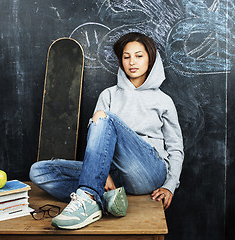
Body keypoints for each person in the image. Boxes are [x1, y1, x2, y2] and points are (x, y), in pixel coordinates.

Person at [29, 32, 184, 230]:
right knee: (40, 171)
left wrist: (169, 186)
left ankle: (88, 199)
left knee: (103, 117)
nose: (132, 62)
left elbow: (176, 148)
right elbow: (97, 138)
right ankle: (106, 198)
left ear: (150, 59)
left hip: (148, 172)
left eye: (139, 56)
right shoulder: (109, 94)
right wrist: (102, 173)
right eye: (126, 57)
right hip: (115, 177)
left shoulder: (163, 101)